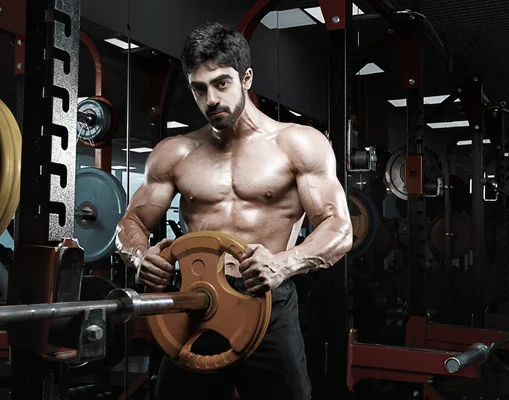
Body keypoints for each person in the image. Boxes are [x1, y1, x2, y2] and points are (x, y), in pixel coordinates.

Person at [115, 22, 353, 400]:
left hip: (267, 304)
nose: (211, 99)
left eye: (221, 83)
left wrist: (284, 264)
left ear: (246, 78)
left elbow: (339, 228)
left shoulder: (297, 144)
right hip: (196, 302)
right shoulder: (175, 153)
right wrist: (139, 256)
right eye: (199, 88)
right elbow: (131, 222)